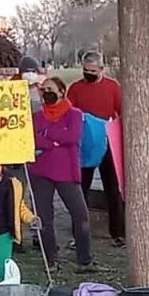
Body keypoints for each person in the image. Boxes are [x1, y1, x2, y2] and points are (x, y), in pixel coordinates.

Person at [29, 77, 94, 271]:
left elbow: (72, 136)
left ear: (61, 91)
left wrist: (47, 136)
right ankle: (51, 258)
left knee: (80, 214)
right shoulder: (36, 116)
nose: (46, 92)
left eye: (50, 89)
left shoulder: (74, 114)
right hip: (40, 171)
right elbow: (33, 139)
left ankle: (85, 259)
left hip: (67, 171)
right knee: (44, 217)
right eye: (43, 89)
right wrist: (55, 140)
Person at [68, 51, 125, 245]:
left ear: (101, 69)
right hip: (85, 143)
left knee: (113, 188)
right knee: (81, 188)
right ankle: (79, 234)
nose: (88, 73)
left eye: (93, 70)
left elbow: (121, 112)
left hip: (107, 141)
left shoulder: (112, 87)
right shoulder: (75, 88)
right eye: (85, 70)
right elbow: (70, 113)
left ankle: (118, 233)